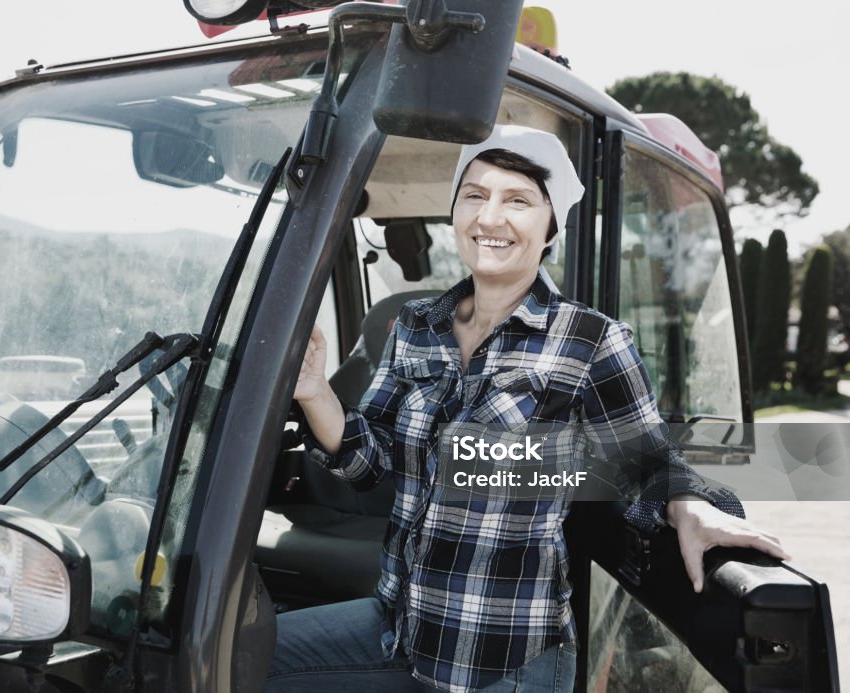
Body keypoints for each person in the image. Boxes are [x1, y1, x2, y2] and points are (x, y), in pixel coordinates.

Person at [265, 125, 789, 693]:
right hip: (400, 627)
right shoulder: (416, 327)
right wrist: (315, 392)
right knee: (229, 662)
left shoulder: (590, 341)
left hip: (507, 659)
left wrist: (692, 507)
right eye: (475, 195)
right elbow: (373, 462)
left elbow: (648, 463)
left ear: (549, 228)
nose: (490, 218)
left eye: (517, 200)